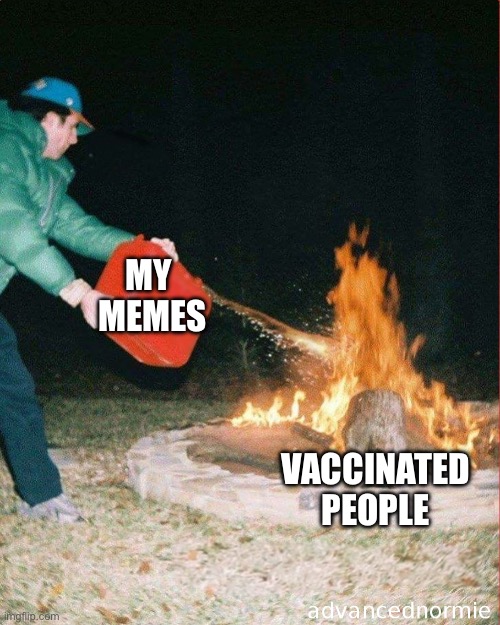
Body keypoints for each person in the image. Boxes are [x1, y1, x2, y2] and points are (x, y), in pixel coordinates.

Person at [0, 77, 178, 522]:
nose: (76, 139)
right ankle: (42, 497)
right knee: (11, 389)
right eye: (73, 126)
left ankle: (41, 496)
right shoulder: (5, 148)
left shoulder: (45, 174)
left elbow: (79, 229)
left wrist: (143, 249)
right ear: (50, 118)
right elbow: (12, 226)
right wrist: (77, 291)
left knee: (11, 389)